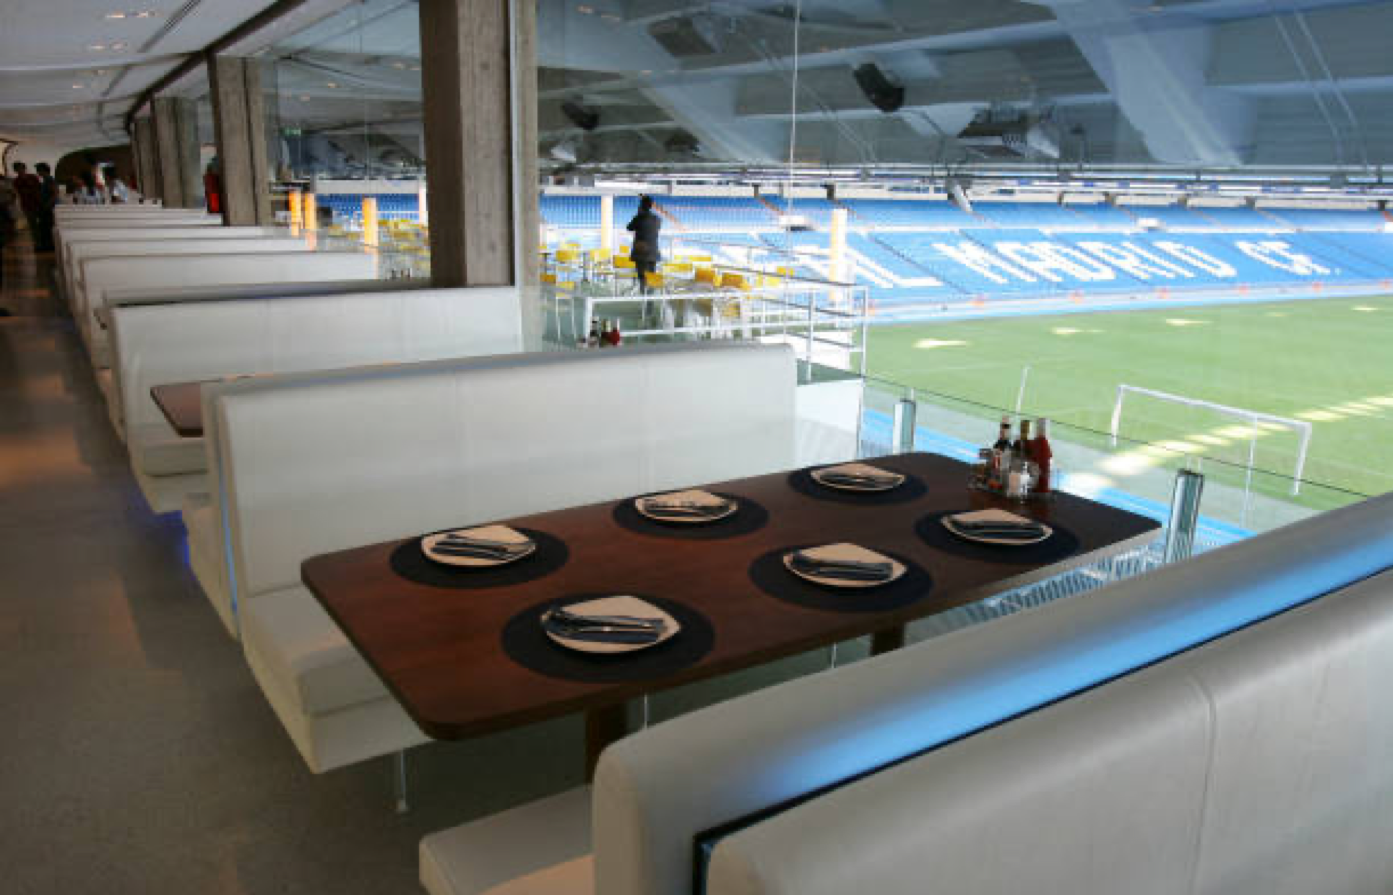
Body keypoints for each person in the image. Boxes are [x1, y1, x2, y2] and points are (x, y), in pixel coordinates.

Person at [627, 195, 661, 295]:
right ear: (651, 206)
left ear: (641, 205)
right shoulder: (657, 219)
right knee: (651, 277)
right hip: (653, 253)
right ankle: (650, 300)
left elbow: (629, 227)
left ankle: (644, 299)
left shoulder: (639, 218)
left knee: (642, 277)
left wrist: (638, 214)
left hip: (641, 253)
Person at [33, 162, 58, 252]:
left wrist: (47, 205)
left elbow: (55, 194)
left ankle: (49, 246)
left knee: (47, 228)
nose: (37, 172)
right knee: (44, 228)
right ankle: (47, 246)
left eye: (38, 170)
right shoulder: (45, 180)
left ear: (43, 170)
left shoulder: (50, 180)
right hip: (45, 207)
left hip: (48, 209)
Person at [12, 162, 41, 237]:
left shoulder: (33, 177)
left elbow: (39, 188)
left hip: (38, 203)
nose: (20, 170)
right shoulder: (16, 181)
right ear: (15, 170)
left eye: (21, 168)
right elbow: (17, 193)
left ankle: (43, 241)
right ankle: (37, 241)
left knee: (41, 223)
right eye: (17, 169)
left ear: (24, 168)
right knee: (32, 224)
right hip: (26, 205)